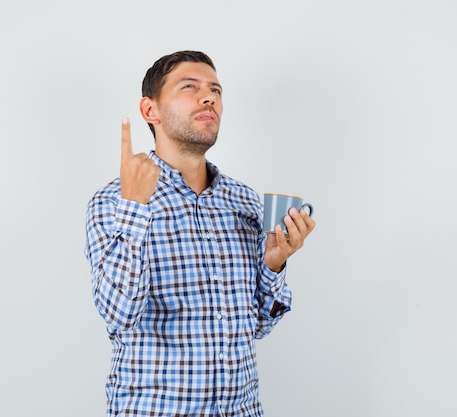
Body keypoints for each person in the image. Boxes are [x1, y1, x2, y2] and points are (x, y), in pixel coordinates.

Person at [85, 50, 316, 416]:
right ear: (151, 111)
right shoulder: (113, 201)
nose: (208, 97)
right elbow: (118, 315)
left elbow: (256, 326)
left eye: (215, 90)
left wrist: (273, 265)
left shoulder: (243, 200)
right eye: (189, 87)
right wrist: (135, 208)